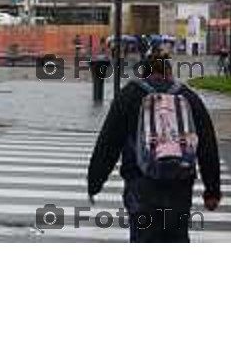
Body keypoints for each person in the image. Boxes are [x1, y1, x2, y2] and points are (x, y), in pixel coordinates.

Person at [86, 49, 221, 243]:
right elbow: (207, 144)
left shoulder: (129, 95)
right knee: (176, 237)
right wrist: (212, 191)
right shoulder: (188, 97)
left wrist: (95, 182)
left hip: (141, 183)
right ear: (169, 71)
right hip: (179, 184)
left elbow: (108, 143)